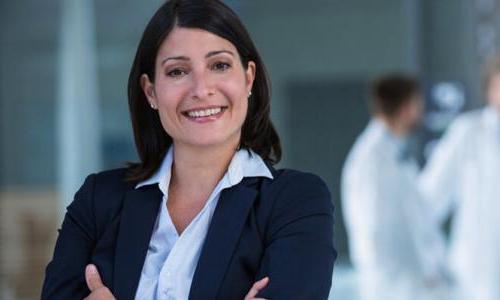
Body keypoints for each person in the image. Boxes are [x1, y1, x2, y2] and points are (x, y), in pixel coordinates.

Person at [41, 1, 336, 299]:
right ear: (151, 92)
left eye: (219, 65)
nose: (201, 89)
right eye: (178, 71)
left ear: (248, 78)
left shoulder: (296, 202)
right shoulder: (97, 200)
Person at [341, 74, 447, 300]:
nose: (421, 110)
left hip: (409, 280)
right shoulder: (371, 159)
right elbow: (374, 229)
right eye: (418, 103)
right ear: (406, 108)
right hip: (392, 283)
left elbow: (415, 216)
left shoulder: (393, 152)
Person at [419, 55, 500, 300]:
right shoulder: (468, 132)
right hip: (476, 282)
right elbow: (426, 204)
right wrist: (434, 264)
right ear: (489, 89)